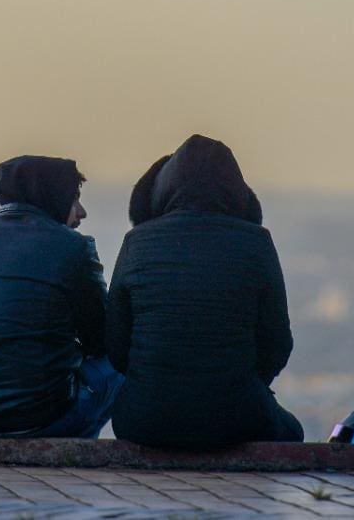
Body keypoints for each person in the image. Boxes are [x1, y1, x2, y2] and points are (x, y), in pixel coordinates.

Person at [106, 134, 303, 448]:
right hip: (237, 419)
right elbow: (278, 342)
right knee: (293, 432)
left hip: (143, 421)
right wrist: (245, 386)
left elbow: (115, 343)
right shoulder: (256, 242)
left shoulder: (137, 241)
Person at [0, 155, 122, 437]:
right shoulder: (72, 247)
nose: (81, 212)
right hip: (39, 418)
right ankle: (74, 457)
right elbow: (103, 341)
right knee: (124, 361)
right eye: (74, 199)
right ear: (53, 197)